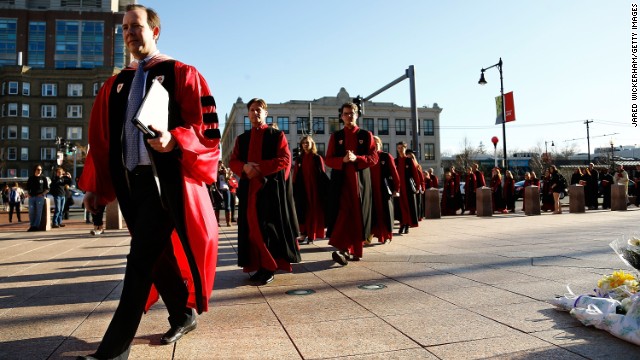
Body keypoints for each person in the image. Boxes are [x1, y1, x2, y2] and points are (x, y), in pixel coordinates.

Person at [76, 5, 221, 359]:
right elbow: (101, 142)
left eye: (136, 26)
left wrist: (175, 140)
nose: (128, 32)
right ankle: (182, 314)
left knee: (139, 261)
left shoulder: (181, 73)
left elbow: (207, 130)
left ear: (154, 31)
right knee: (156, 258)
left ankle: (112, 351)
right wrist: (95, 186)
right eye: (124, 27)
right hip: (132, 185)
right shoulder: (115, 85)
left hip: (168, 183)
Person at [229, 98, 301, 284]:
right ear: (248, 113)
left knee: (267, 229)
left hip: (269, 190)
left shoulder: (276, 135)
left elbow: (285, 159)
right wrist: (245, 168)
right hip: (248, 191)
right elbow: (233, 161)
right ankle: (259, 265)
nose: (255, 113)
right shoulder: (241, 139)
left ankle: (268, 267)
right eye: (252, 110)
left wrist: (258, 167)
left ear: (265, 113)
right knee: (252, 230)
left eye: (259, 109)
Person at [325, 102, 377, 265]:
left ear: (357, 115)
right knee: (342, 215)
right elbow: (328, 160)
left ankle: (355, 250)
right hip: (341, 184)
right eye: (346, 113)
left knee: (358, 216)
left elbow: (373, 158)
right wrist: (343, 160)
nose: (349, 116)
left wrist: (357, 158)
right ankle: (343, 249)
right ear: (341, 117)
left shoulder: (366, 135)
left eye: (352, 113)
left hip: (360, 184)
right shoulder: (336, 136)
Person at [293, 135, 329, 245]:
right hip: (302, 189)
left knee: (313, 211)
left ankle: (311, 234)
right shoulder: (299, 158)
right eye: (303, 143)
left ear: (312, 144)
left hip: (314, 189)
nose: (305, 144)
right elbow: (295, 175)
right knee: (302, 211)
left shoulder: (317, 158)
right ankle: (304, 233)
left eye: (307, 142)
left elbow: (322, 174)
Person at [370, 136, 400, 244]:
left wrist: (396, 188)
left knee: (386, 212)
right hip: (371, 190)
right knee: (373, 213)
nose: (376, 144)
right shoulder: (368, 157)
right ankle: (373, 234)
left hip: (384, 189)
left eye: (377, 142)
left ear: (380, 144)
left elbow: (394, 173)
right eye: (374, 142)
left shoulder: (386, 156)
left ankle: (387, 236)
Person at [394, 142, 421, 234]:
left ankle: (407, 225)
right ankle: (402, 224)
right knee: (400, 208)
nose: (400, 149)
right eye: (398, 148)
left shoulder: (409, 161)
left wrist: (418, 186)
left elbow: (415, 174)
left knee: (408, 207)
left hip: (408, 188)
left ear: (405, 149)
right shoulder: (395, 161)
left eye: (402, 148)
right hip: (398, 189)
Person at [26, 164, 49, 231]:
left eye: (41, 170)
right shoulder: (31, 178)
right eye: (38, 169)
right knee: (31, 212)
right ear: (35, 170)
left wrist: (42, 194)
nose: (39, 171)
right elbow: (27, 187)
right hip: (32, 197)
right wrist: (28, 194)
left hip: (39, 197)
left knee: (39, 212)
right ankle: (32, 225)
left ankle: (36, 226)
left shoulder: (43, 178)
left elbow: (47, 188)